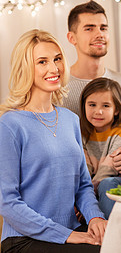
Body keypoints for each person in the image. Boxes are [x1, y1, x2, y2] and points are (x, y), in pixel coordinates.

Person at [0, 29, 107, 252]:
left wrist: (95, 217)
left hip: (71, 230)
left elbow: (83, 186)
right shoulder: (10, 124)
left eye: (57, 59)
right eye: (42, 62)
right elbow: (7, 202)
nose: (54, 68)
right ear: (25, 68)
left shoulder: (70, 119)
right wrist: (66, 235)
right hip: (24, 240)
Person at [64, 0, 121, 176]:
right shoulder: (60, 87)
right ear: (72, 38)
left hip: (117, 181)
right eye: (89, 28)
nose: (99, 34)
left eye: (103, 28)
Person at [80, 77, 121, 219]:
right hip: (92, 187)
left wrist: (87, 197)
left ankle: (108, 227)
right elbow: (83, 169)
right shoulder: (82, 133)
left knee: (107, 183)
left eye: (105, 106)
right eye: (92, 105)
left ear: (116, 110)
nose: (98, 111)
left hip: (116, 182)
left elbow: (109, 169)